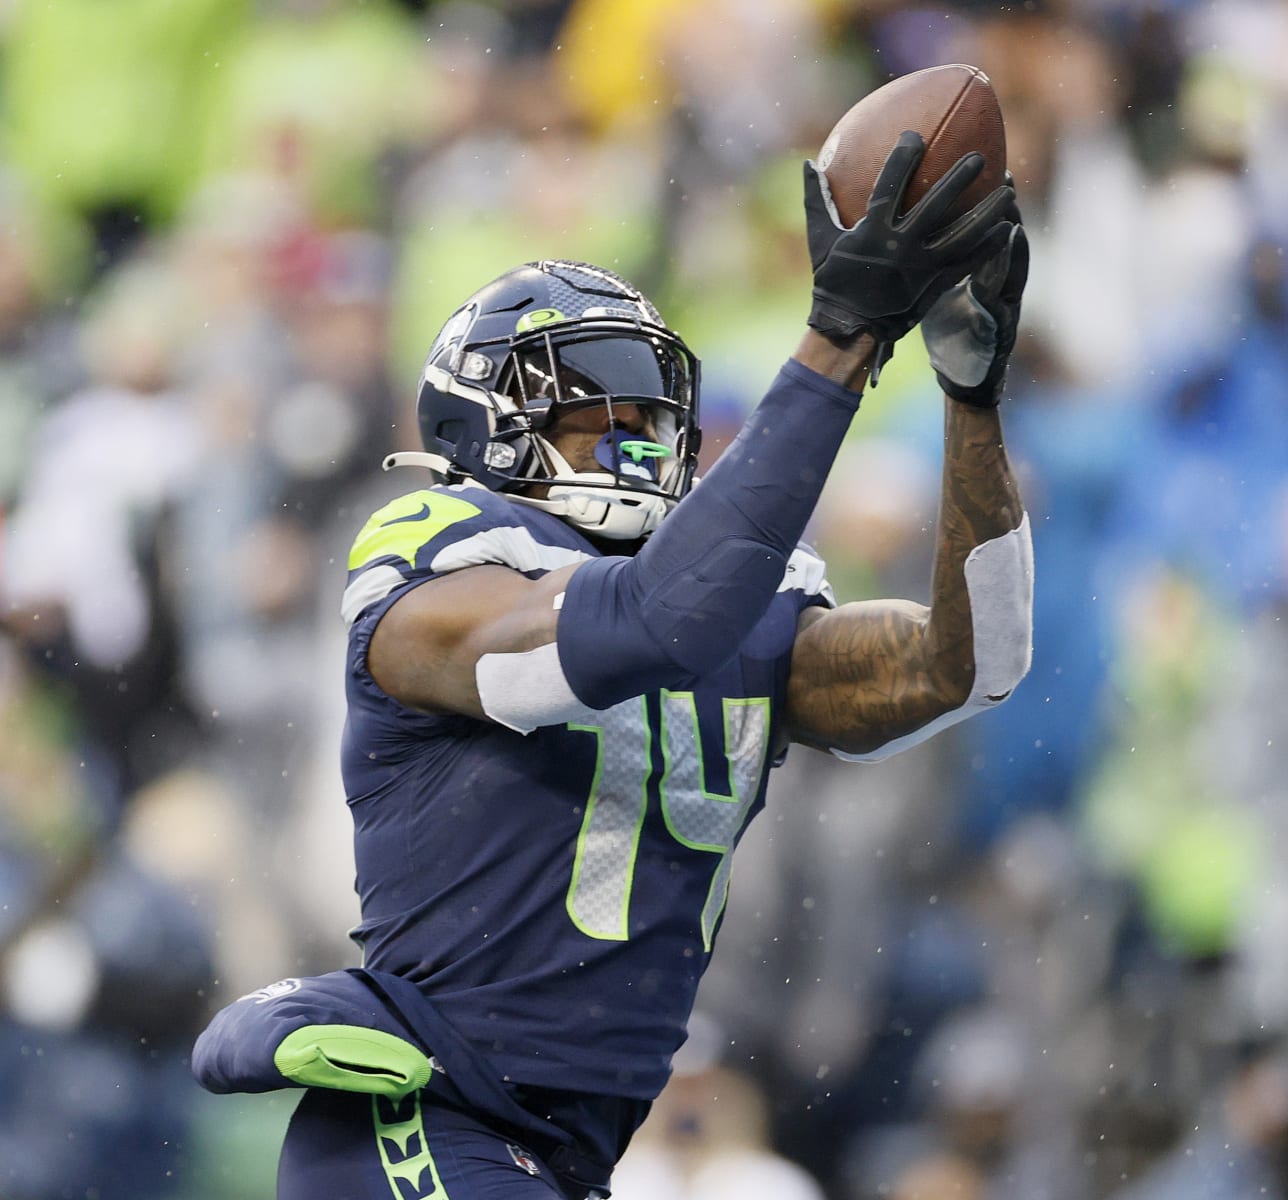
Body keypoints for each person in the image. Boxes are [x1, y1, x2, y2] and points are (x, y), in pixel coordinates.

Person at [191, 133, 1032, 1199]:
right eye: (590, 406)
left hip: (576, 1146)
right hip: (431, 1119)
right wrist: (841, 336)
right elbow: (640, 627)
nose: (631, 435)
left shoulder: (739, 599)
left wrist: (972, 395)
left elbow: (969, 664)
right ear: (489, 417)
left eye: (647, 411)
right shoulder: (436, 552)